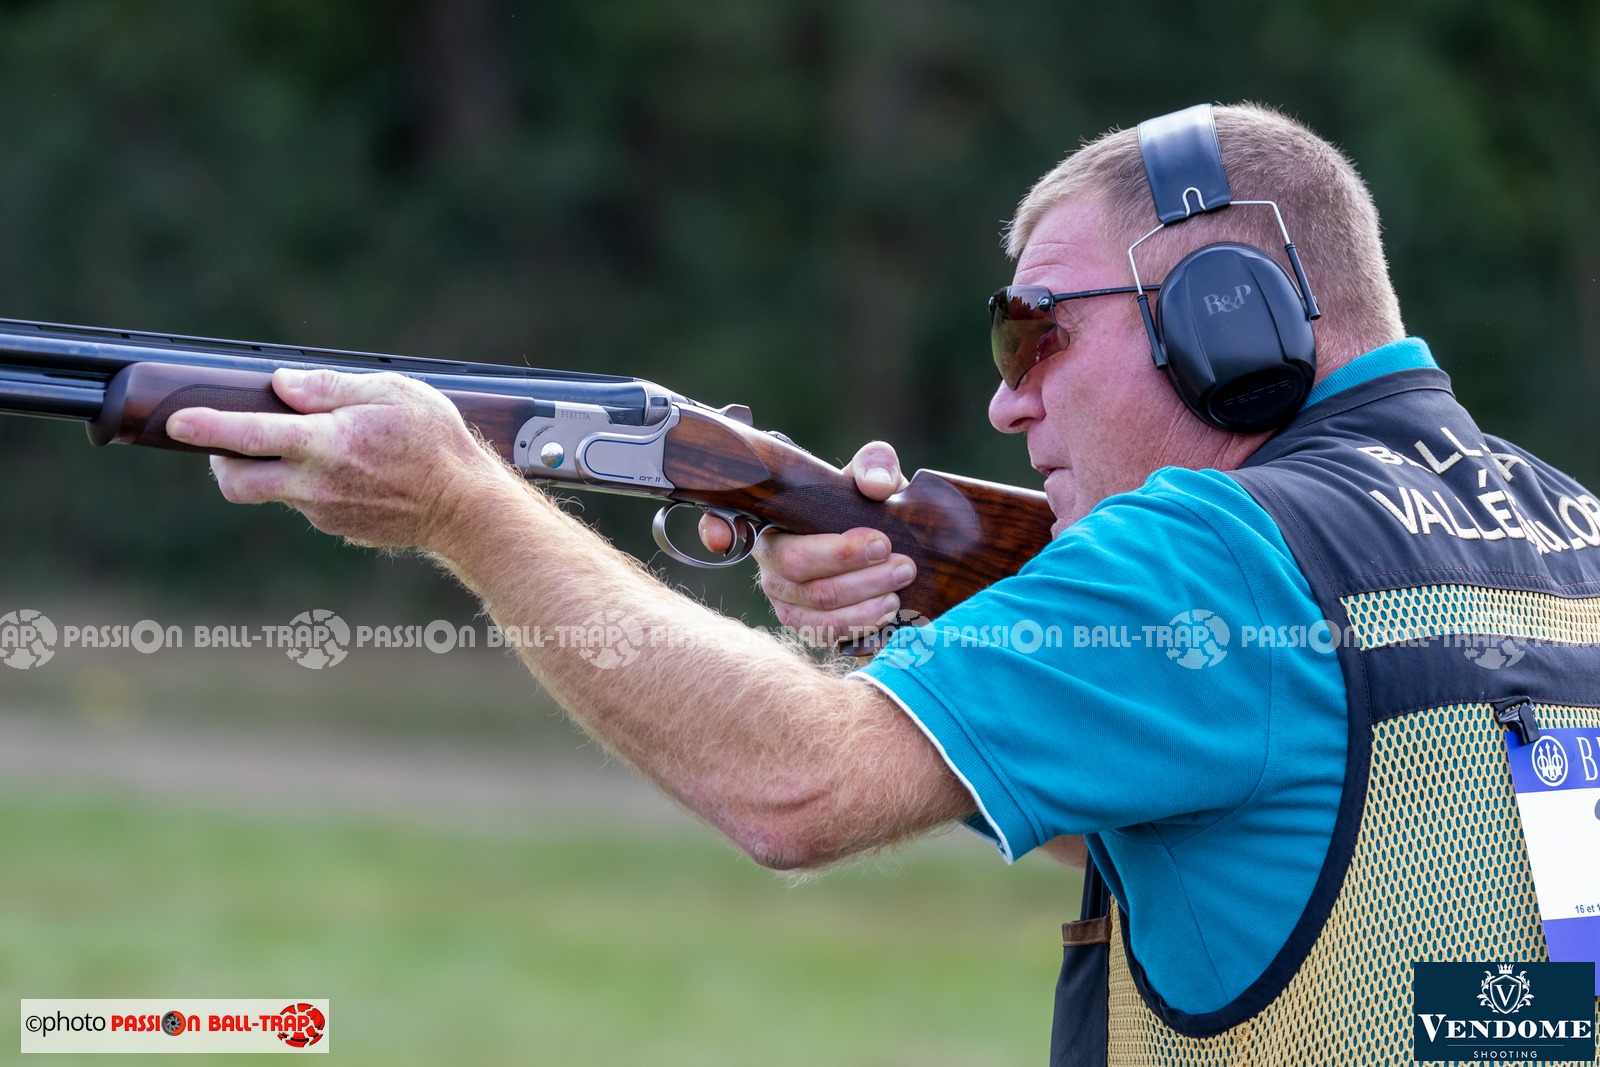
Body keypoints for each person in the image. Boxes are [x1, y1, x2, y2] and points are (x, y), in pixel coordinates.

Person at [164, 103, 1600, 1063]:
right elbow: (1291, 827)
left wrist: (466, 508)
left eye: (1036, 333)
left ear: (1226, 318)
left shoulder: (1215, 550)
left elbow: (793, 791)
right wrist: (918, 638)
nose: (1009, 402)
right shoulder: (1571, 536)